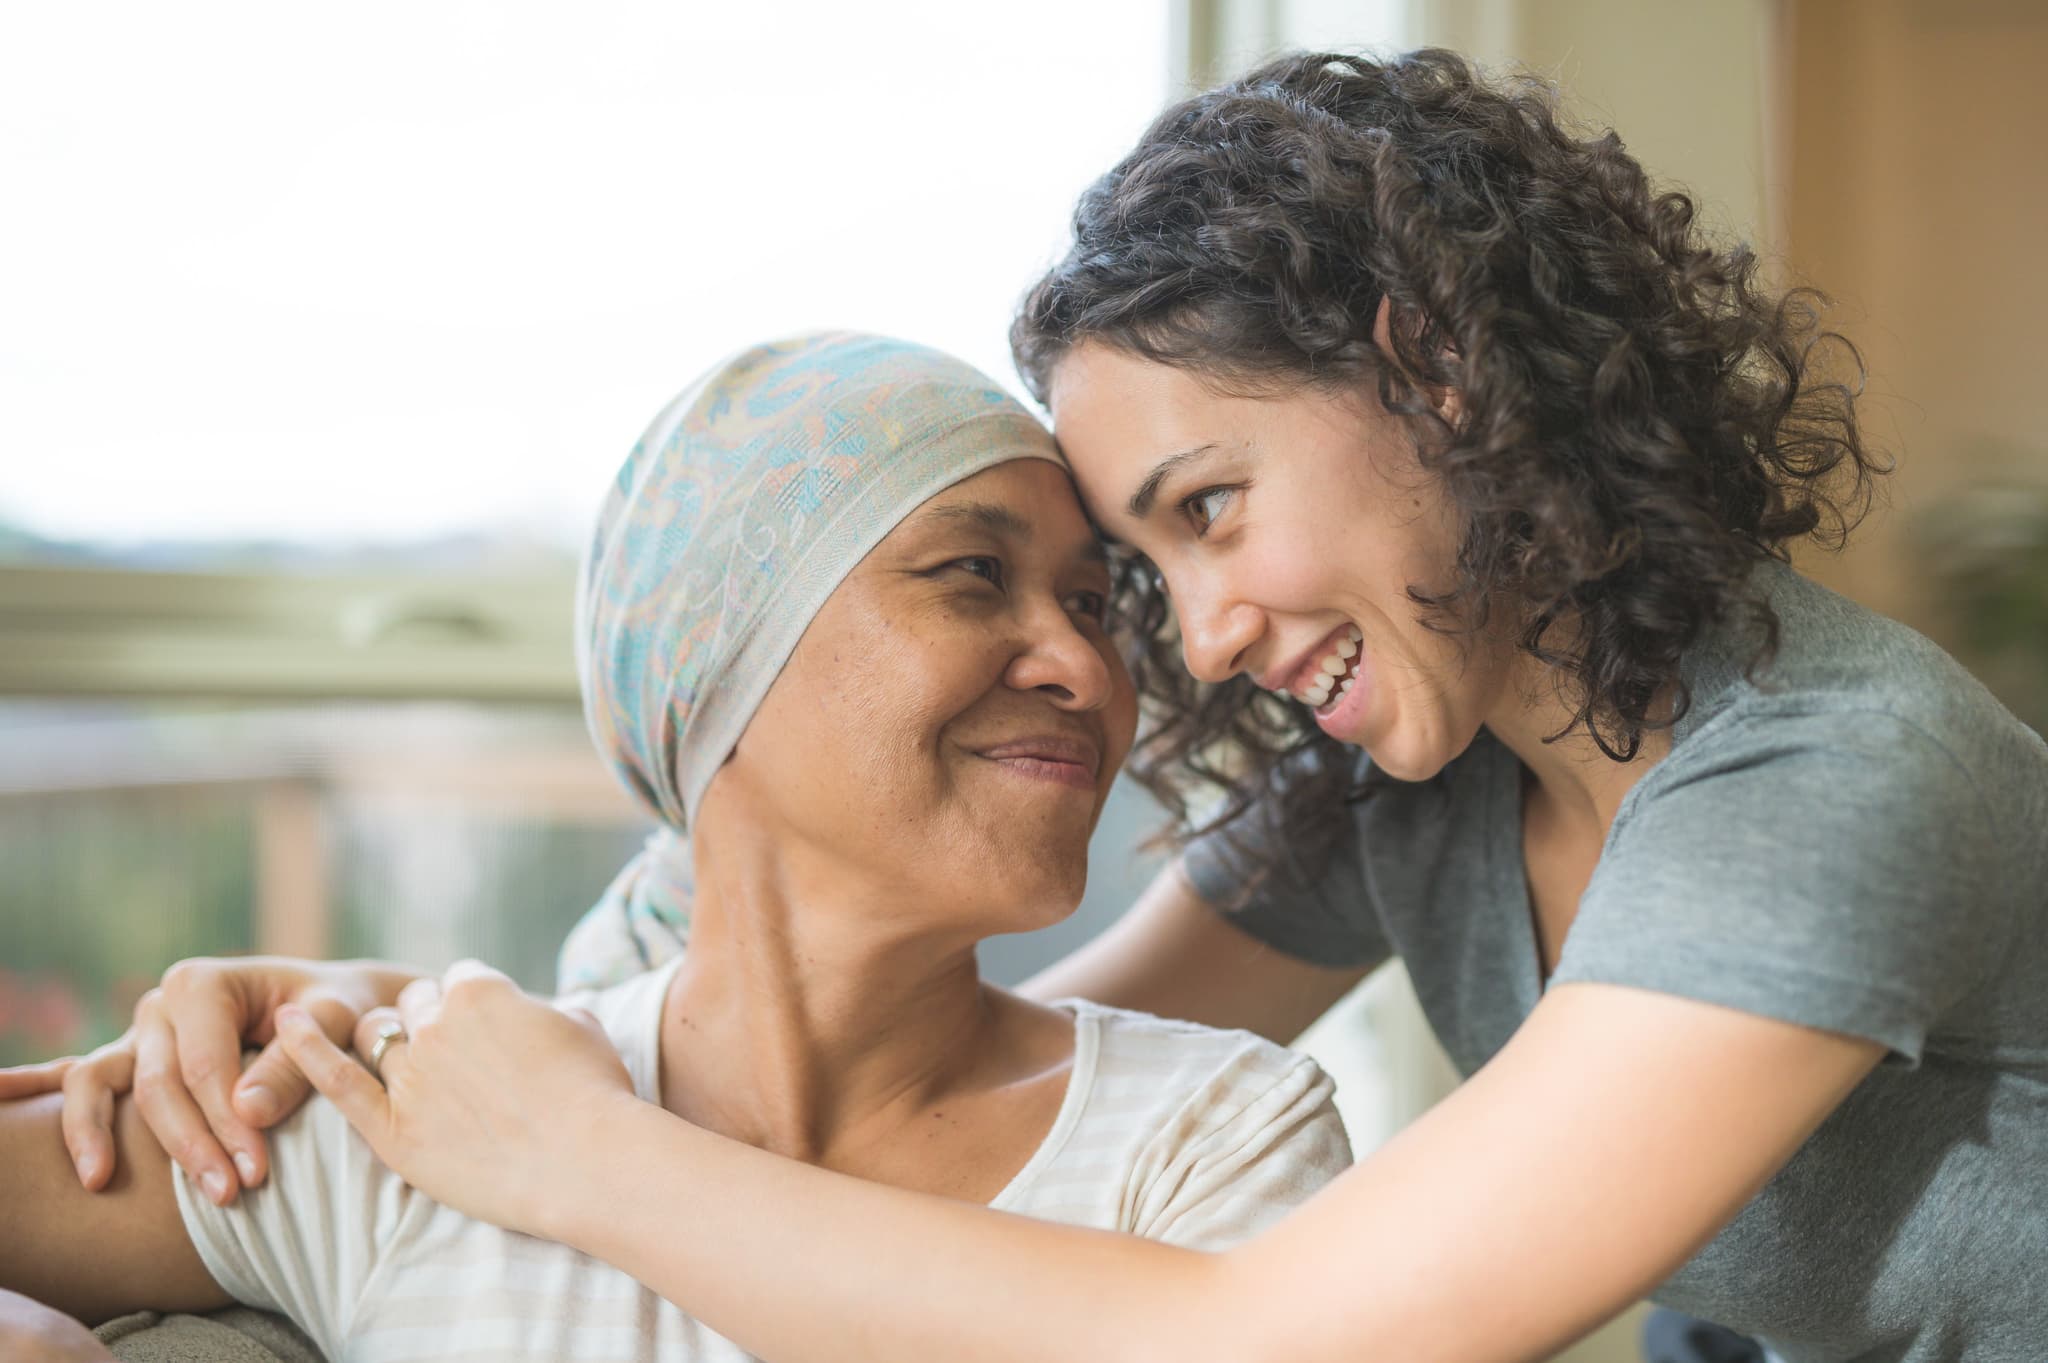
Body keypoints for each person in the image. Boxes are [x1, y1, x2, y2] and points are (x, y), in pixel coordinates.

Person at [10, 48, 2045, 1363]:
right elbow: (879, 1012)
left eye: (1204, 514)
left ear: (1436, 373)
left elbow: (1298, 1342)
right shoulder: (1422, 774)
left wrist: (571, 1160)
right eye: (1145, 570)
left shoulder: (1830, 781)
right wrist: (361, 1035)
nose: (1190, 637)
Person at [0, 333, 1353, 1361]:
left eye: (1092, 602)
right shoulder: (414, 1114)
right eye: (971, 576)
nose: (1083, 662)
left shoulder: (1213, 1140)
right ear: (717, 671)